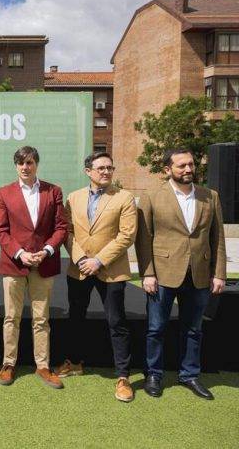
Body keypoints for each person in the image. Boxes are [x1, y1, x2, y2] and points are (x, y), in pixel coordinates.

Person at [136, 148, 226, 400]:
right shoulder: (152, 196)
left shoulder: (210, 197)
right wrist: (147, 273)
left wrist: (218, 273)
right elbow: (144, 239)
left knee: (193, 329)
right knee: (156, 328)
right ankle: (153, 374)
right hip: (162, 275)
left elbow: (217, 238)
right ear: (167, 170)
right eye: (181, 166)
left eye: (191, 164)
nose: (188, 169)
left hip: (199, 273)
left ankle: (190, 375)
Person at [57, 152, 137, 402]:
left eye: (109, 168)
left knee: (117, 322)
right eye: (100, 168)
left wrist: (98, 260)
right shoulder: (73, 197)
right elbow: (67, 232)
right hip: (79, 269)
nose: (106, 172)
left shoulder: (124, 197)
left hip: (110, 269)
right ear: (88, 171)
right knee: (76, 317)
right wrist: (81, 259)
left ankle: (123, 376)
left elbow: (127, 235)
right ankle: (75, 363)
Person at [0, 146, 67, 389]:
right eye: (21, 163)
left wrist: (46, 251)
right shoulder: (4, 193)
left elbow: (60, 228)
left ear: (36, 164)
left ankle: (43, 366)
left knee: (41, 319)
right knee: (11, 317)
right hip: (14, 264)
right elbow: (0, 231)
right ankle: (8, 364)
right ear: (16, 166)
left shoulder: (53, 191)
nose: (25, 167)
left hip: (44, 264)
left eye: (30, 162)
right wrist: (21, 253)